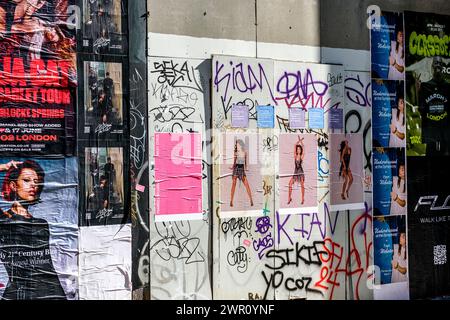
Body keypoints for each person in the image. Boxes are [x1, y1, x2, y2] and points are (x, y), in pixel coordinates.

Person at [0, 160, 67, 300]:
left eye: (36, 181)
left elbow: (48, 266)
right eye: (26, 180)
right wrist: (3, 167)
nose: (33, 185)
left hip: (48, 292)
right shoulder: (3, 220)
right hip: (18, 294)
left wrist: (59, 295)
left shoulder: (41, 224)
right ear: (13, 185)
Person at [415, 57, 450, 156]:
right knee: (430, 160)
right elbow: (421, 109)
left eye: (439, 64)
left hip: (445, 133)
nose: (437, 66)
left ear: (443, 67)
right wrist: (418, 92)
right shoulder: (426, 87)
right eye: (435, 64)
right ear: (432, 67)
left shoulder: (448, 87)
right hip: (431, 132)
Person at [229, 139, 253, 207]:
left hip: (242, 169)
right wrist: (232, 167)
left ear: (241, 144)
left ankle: (251, 200)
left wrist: (246, 168)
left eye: (238, 144)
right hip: (236, 168)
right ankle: (231, 201)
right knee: (233, 185)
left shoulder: (245, 152)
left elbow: (245, 163)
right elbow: (234, 163)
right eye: (236, 144)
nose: (237, 145)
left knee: (247, 185)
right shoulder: (235, 152)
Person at [288, 136, 305, 205]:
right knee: (290, 184)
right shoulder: (295, 155)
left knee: (302, 185)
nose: (298, 150)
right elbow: (295, 145)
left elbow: (303, 147)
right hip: (295, 172)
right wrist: (299, 141)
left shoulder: (301, 156)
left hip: (300, 172)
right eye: (297, 149)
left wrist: (301, 142)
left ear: (300, 150)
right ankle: (289, 198)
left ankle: (303, 198)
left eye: (299, 149)